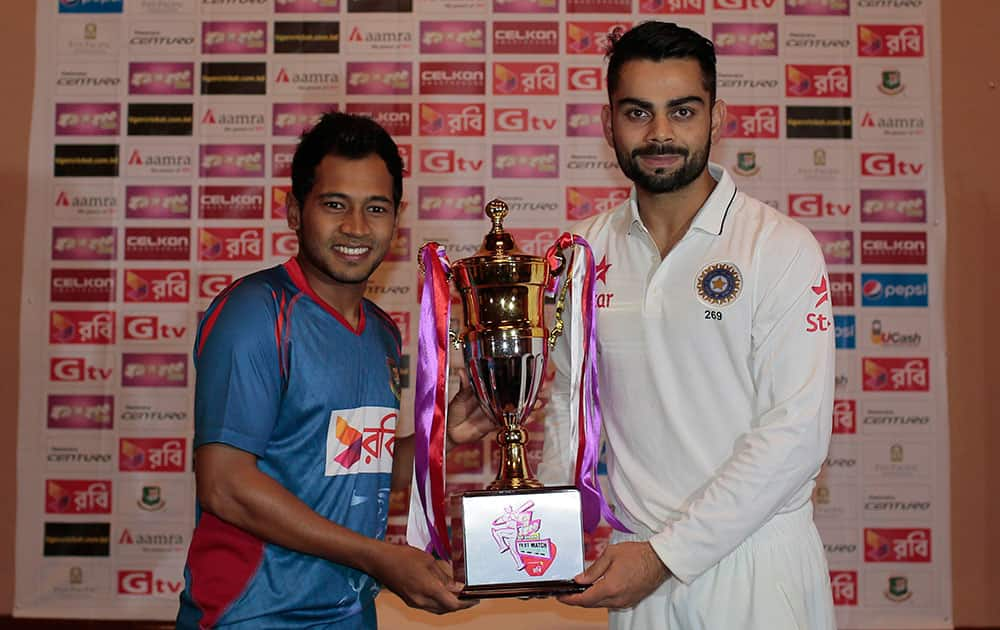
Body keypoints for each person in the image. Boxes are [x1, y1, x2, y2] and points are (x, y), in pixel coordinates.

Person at [536, 22, 837, 630]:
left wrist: (667, 556)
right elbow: (568, 409)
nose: (660, 133)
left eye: (682, 110)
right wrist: (535, 534)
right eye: (638, 112)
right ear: (607, 123)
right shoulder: (581, 254)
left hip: (755, 569)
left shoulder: (778, 247)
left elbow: (795, 436)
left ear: (716, 118)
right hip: (637, 574)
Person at [176, 112, 490, 629]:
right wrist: (377, 557)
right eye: (335, 205)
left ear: (397, 217)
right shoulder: (256, 313)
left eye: (376, 208)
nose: (356, 228)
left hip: (349, 616)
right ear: (294, 211)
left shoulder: (381, 332)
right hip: (253, 619)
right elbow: (224, 485)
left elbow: (352, 469)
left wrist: (442, 436)